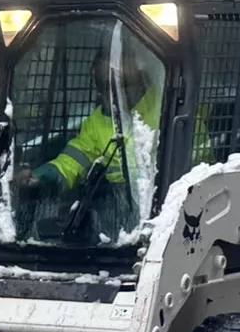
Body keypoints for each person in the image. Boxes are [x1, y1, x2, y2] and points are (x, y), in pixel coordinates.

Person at [16, 43, 163, 239]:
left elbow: (193, 165)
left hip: (162, 206)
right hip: (119, 212)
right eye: (104, 86)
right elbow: (73, 160)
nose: (112, 94)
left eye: (121, 85)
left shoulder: (166, 110)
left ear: (140, 79)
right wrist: (42, 176)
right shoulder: (97, 122)